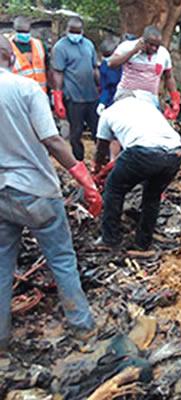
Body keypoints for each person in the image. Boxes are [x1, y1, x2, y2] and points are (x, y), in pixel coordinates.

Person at [0, 36, 101, 351]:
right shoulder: (25, 88)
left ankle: (1, 339)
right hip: (37, 191)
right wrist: (83, 176)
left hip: (2, 193)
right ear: (9, 54)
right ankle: (83, 327)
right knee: (61, 258)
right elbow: (53, 140)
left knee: (2, 265)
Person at [94, 91, 181, 251]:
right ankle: (143, 242)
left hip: (143, 152)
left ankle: (110, 239)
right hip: (174, 153)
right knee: (152, 196)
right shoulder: (148, 107)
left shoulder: (108, 113)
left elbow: (101, 148)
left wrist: (97, 171)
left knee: (113, 189)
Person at [51, 16, 100, 161]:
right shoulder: (60, 47)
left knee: (97, 130)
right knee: (76, 132)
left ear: (82, 31)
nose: (75, 35)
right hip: (73, 97)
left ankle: (100, 160)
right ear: (67, 30)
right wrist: (58, 97)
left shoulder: (88, 45)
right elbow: (58, 72)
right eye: (72, 31)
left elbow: (94, 68)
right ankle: (79, 161)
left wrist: (100, 86)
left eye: (78, 32)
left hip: (91, 95)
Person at [108, 26, 180, 119]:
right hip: (127, 95)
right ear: (143, 40)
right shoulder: (127, 46)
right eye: (151, 45)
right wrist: (134, 51)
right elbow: (111, 63)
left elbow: (169, 77)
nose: (154, 48)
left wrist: (175, 98)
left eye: (157, 46)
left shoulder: (163, 53)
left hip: (150, 99)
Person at [9, 16, 51, 92]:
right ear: (14, 30)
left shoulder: (39, 45)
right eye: (20, 32)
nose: (24, 35)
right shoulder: (7, 47)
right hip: (19, 94)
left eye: (26, 32)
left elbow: (48, 68)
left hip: (40, 92)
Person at [97, 38, 122, 114]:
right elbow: (106, 87)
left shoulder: (126, 65)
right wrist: (102, 102)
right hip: (111, 102)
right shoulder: (105, 66)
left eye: (108, 55)